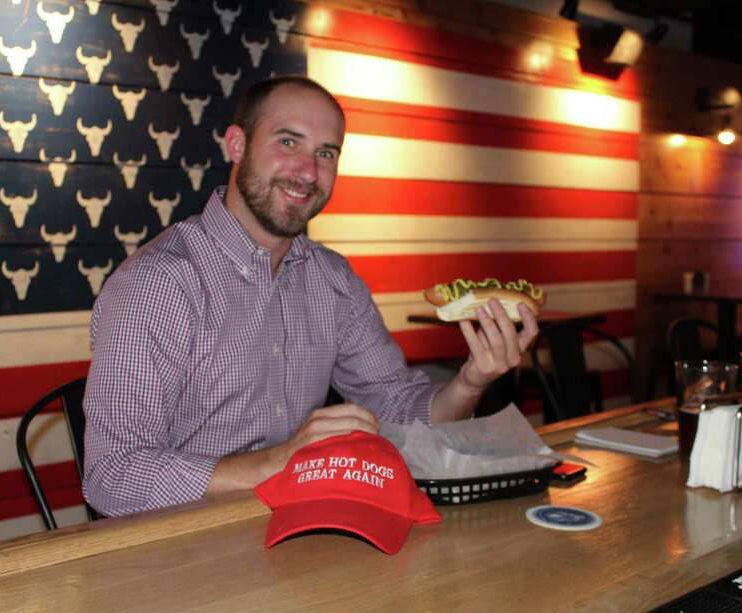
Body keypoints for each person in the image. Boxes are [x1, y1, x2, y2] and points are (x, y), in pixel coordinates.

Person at [82, 76, 539, 515]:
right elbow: (113, 476)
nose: (307, 171)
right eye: (288, 142)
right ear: (237, 145)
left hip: (298, 525)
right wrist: (281, 460)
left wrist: (471, 383)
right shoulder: (158, 283)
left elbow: (398, 410)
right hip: (177, 553)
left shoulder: (333, 280)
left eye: (326, 152)